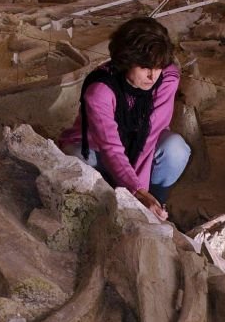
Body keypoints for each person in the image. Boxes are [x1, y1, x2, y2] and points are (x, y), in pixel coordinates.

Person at [59, 17, 190, 221]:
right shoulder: (100, 90)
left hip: (141, 148)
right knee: (77, 159)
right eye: (145, 67)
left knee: (176, 149)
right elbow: (111, 146)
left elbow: (149, 135)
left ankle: (158, 204)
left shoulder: (167, 78)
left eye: (157, 67)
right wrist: (136, 192)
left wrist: (144, 196)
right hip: (98, 150)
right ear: (126, 61)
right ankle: (99, 210)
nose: (152, 76)